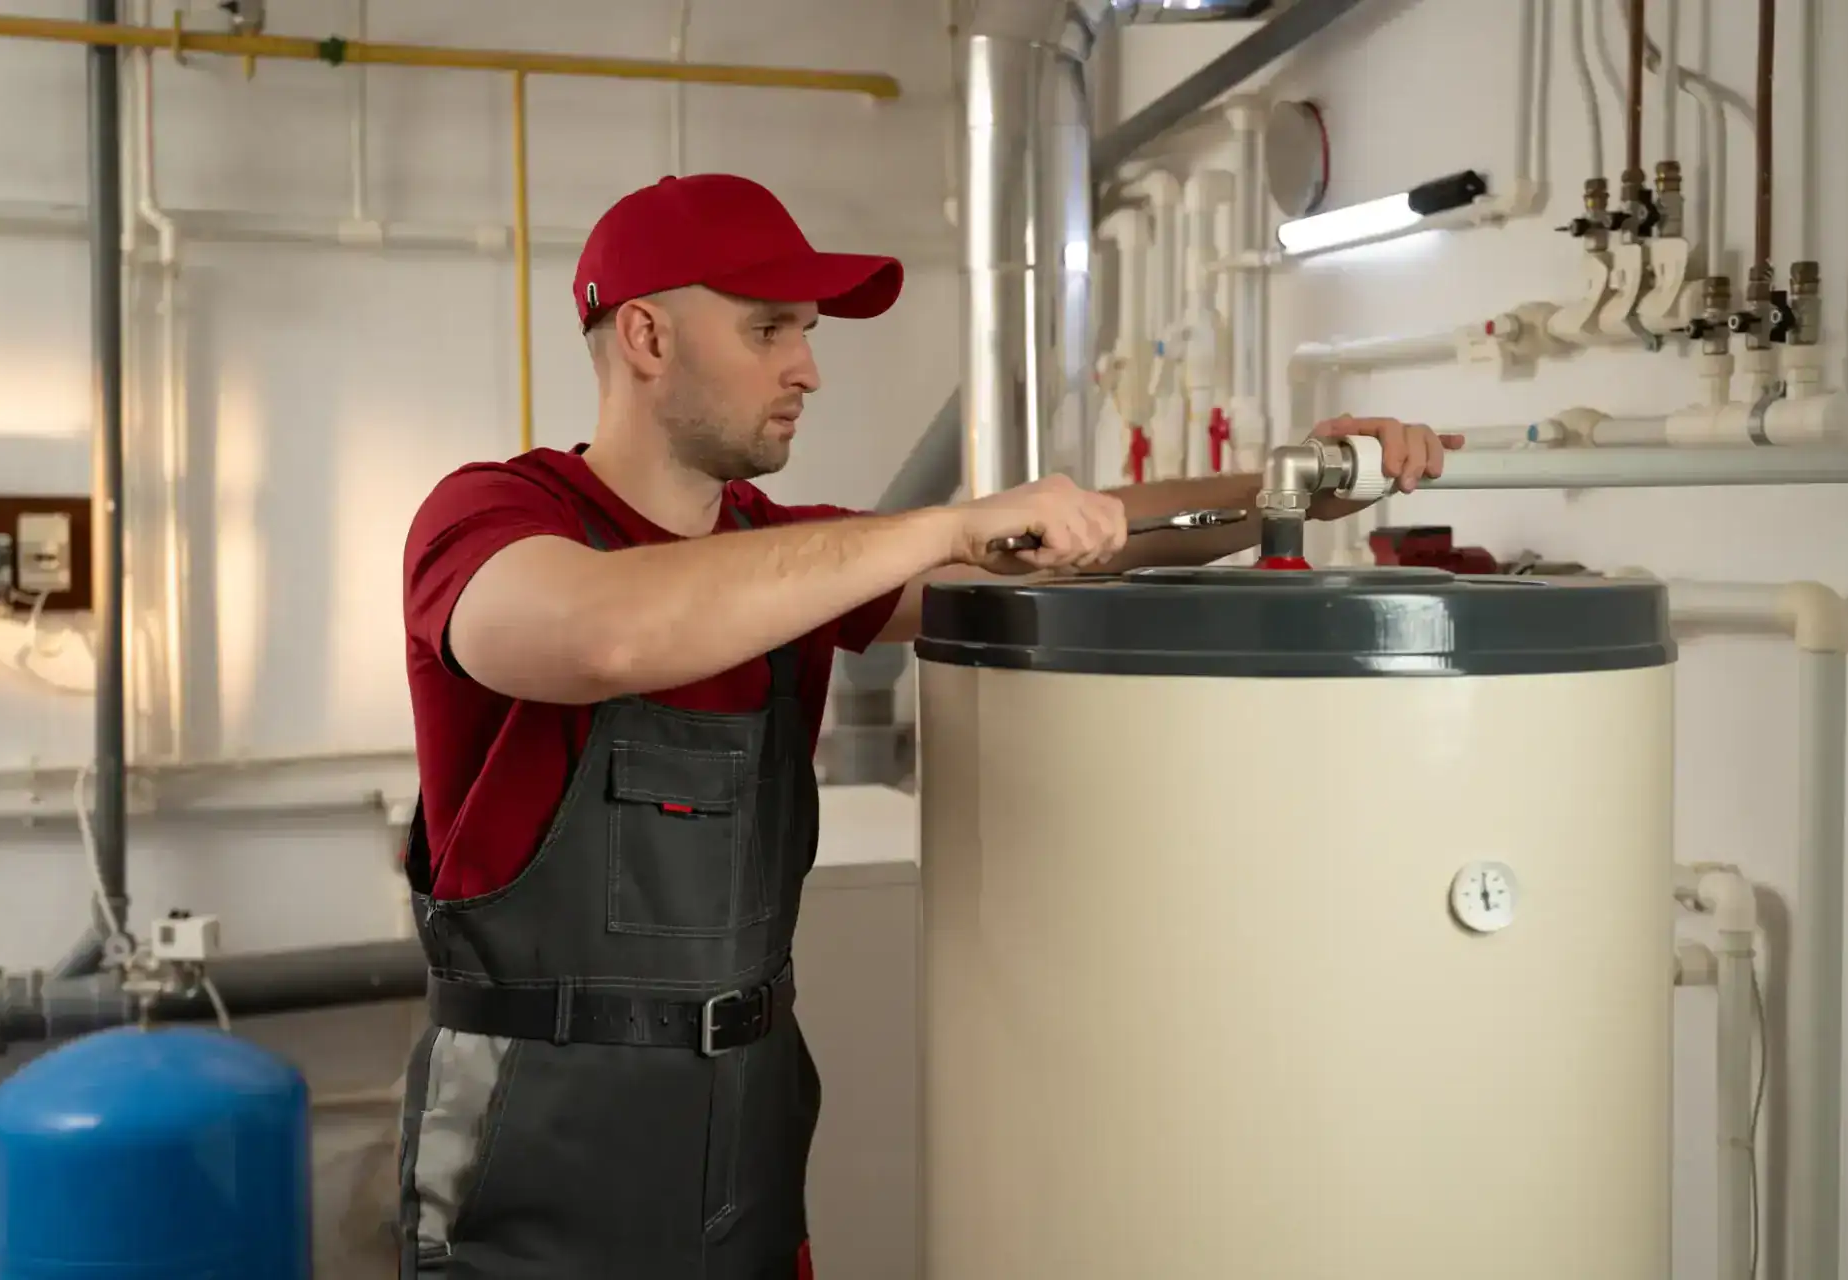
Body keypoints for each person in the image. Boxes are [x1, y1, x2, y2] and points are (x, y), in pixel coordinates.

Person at [395, 171, 1460, 1279]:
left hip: (745, 1116)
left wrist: (1293, 490)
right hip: (542, 1126)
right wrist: (943, 524)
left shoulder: (788, 556)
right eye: (769, 330)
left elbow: (1084, 540)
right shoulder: (491, 516)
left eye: (806, 332)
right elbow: (603, 633)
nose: (806, 367)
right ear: (648, 335)